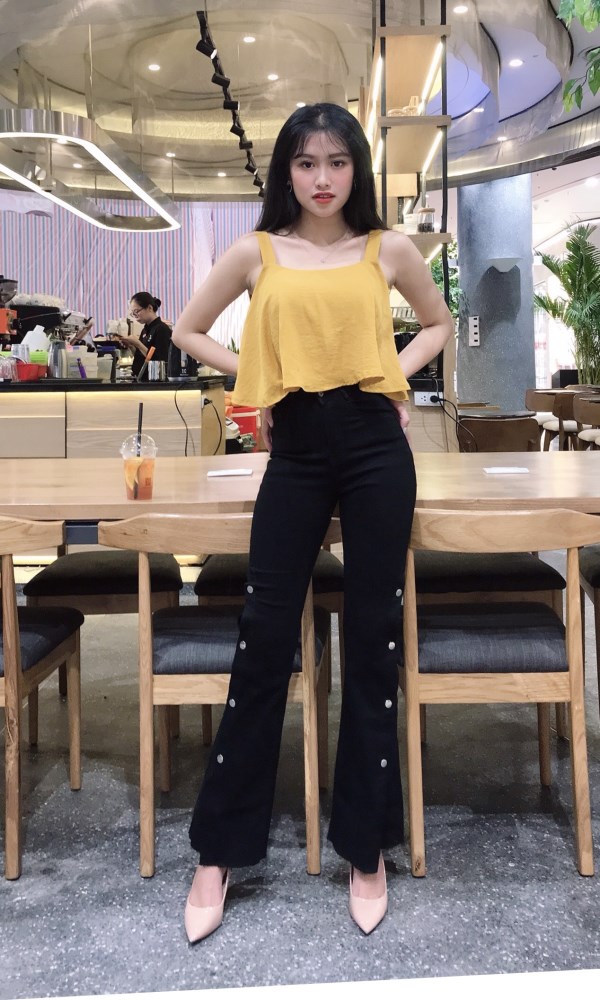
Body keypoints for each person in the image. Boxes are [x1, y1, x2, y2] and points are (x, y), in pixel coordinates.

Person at [172, 102, 453, 942]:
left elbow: (437, 324)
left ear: (356, 168)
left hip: (375, 445)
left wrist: (390, 373)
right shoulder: (257, 251)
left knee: (372, 638)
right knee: (264, 639)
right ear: (286, 172)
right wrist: (260, 375)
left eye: (336, 161)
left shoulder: (387, 248)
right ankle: (219, 852)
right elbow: (188, 330)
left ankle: (366, 848)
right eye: (305, 163)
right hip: (292, 448)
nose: (322, 178)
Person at [117, 291, 171, 379]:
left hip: (155, 379)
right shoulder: (145, 329)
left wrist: (138, 343)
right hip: (141, 377)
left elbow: (159, 361)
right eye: (133, 313)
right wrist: (131, 346)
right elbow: (142, 356)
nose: (135, 315)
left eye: (136, 311)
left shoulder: (161, 329)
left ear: (149, 308)